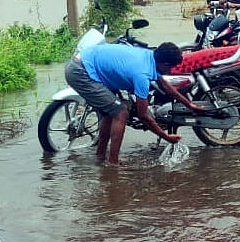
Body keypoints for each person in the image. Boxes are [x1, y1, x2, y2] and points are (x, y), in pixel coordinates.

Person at [64, 42, 206, 165]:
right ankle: (113, 163)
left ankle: (100, 156)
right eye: (170, 68)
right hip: (81, 72)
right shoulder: (142, 75)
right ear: (164, 63)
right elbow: (143, 114)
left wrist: (189, 104)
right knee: (121, 112)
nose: (170, 71)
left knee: (109, 113)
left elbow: (164, 84)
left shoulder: (149, 56)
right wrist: (166, 137)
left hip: (86, 62)